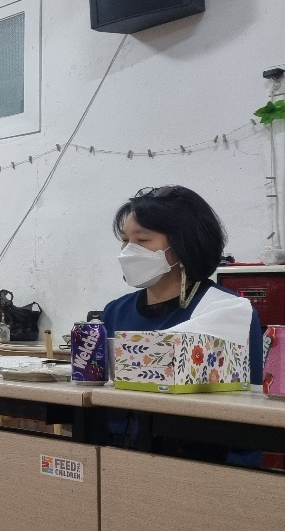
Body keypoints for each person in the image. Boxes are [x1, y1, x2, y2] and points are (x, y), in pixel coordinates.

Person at [101, 185, 264, 465]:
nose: (128, 251)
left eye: (142, 240)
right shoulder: (115, 311)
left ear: (182, 245)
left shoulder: (226, 310)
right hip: (120, 459)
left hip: (200, 464)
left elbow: (249, 411)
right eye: (125, 241)